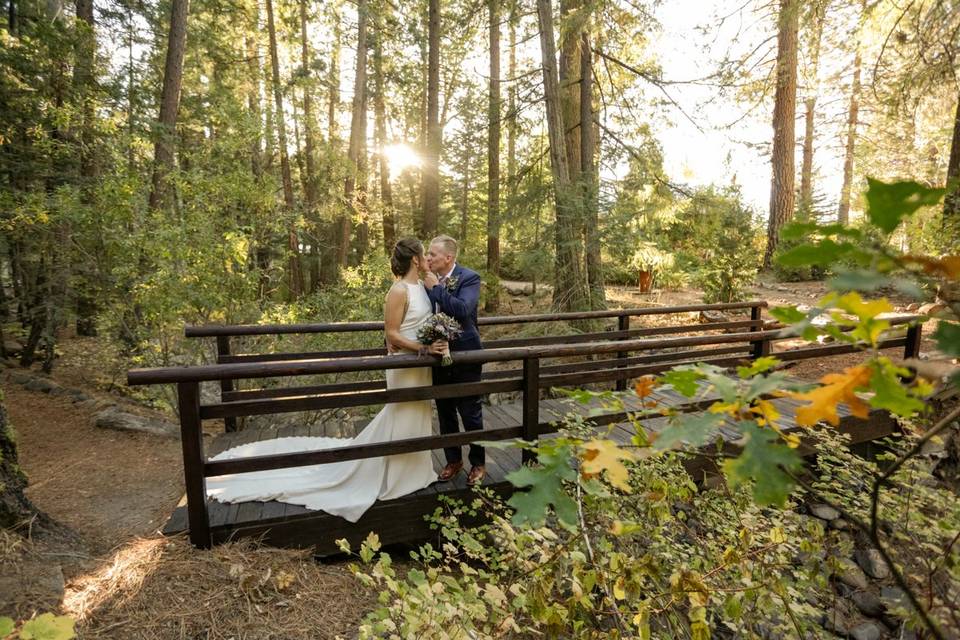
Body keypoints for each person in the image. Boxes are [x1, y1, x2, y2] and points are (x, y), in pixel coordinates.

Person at [205, 238, 447, 523]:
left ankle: (416, 472)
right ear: (415, 260)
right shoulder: (397, 290)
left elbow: (424, 323)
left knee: (418, 412)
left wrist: (436, 339)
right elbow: (391, 334)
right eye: (424, 254)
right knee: (402, 411)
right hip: (405, 364)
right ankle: (395, 476)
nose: (428, 259)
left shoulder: (422, 287)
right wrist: (421, 348)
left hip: (422, 365)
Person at [423, 235, 487, 486]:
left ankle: (478, 463)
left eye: (433, 254)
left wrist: (436, 289)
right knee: (446, 412)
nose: (428, 258)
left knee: (470, 412)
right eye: (427, 254)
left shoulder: (469, 278)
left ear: (448, 258)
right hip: (437, 357)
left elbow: (462, 309)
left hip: (466, 354)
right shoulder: (426, 282)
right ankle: (453, 460)